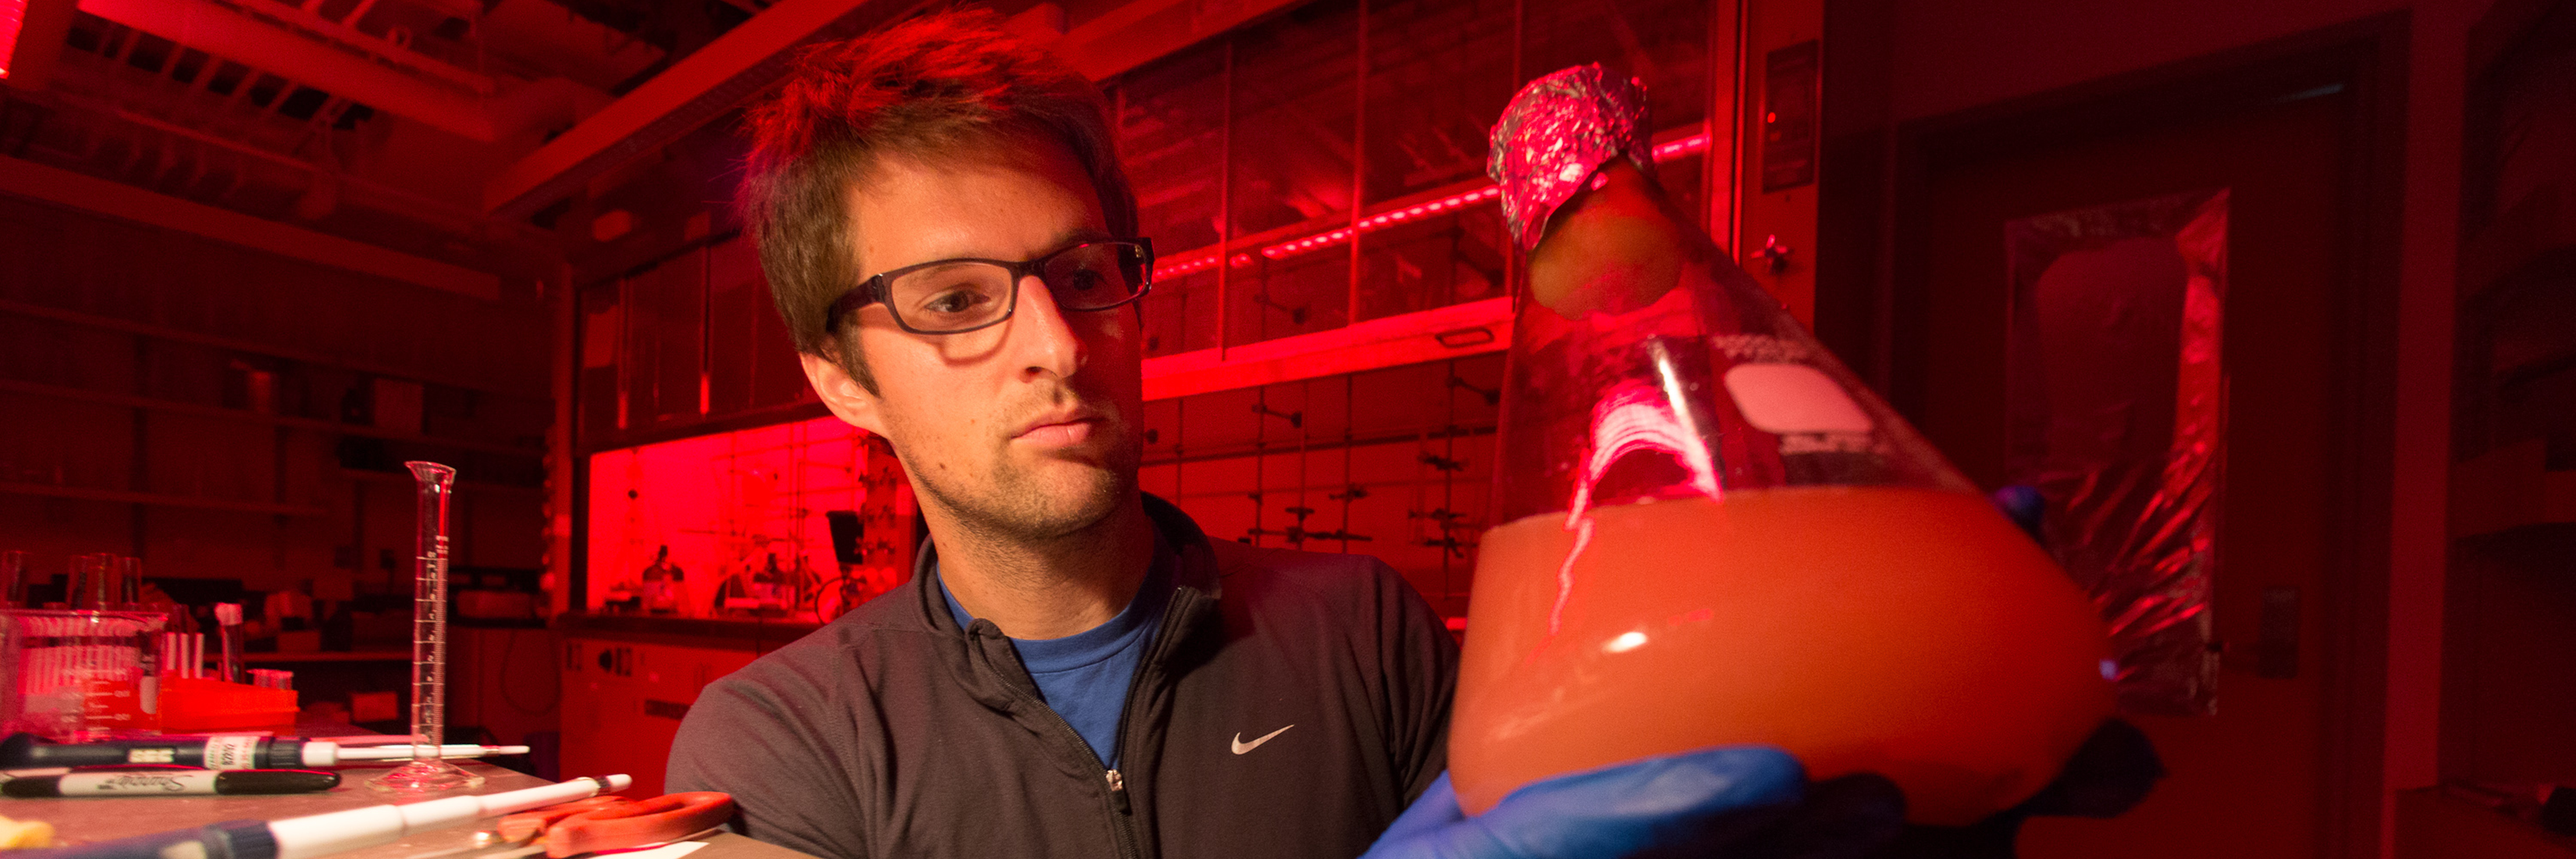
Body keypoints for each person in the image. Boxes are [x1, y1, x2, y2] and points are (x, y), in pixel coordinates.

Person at [666, 9, 2135, 859]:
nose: (1054, 343)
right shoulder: (790, 743)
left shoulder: (1359, 629)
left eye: (1085, 274)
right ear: (840, 378)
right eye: (955, 302)